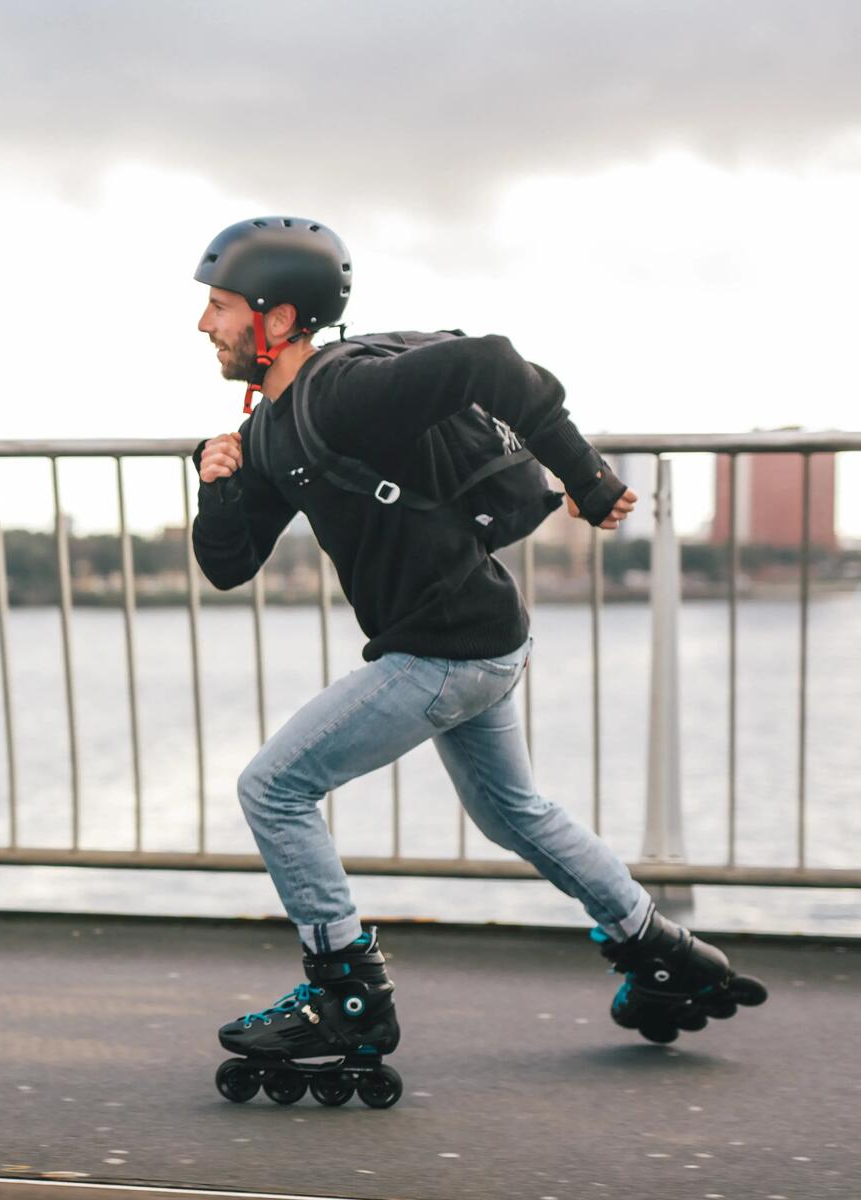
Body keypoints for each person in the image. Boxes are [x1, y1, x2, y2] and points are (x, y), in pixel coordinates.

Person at [191, 216, 767, 1109]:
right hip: (479, 638)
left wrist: (588, 477)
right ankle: (663, 951)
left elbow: (497, 361)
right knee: (516, 813)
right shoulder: (270, 431)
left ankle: (348, 995)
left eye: (219, 307)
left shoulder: (348, 391)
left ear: (278, 316)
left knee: (274, 787)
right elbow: (228, 564)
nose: (204, 327)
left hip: (447, 650)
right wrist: (218, 477)